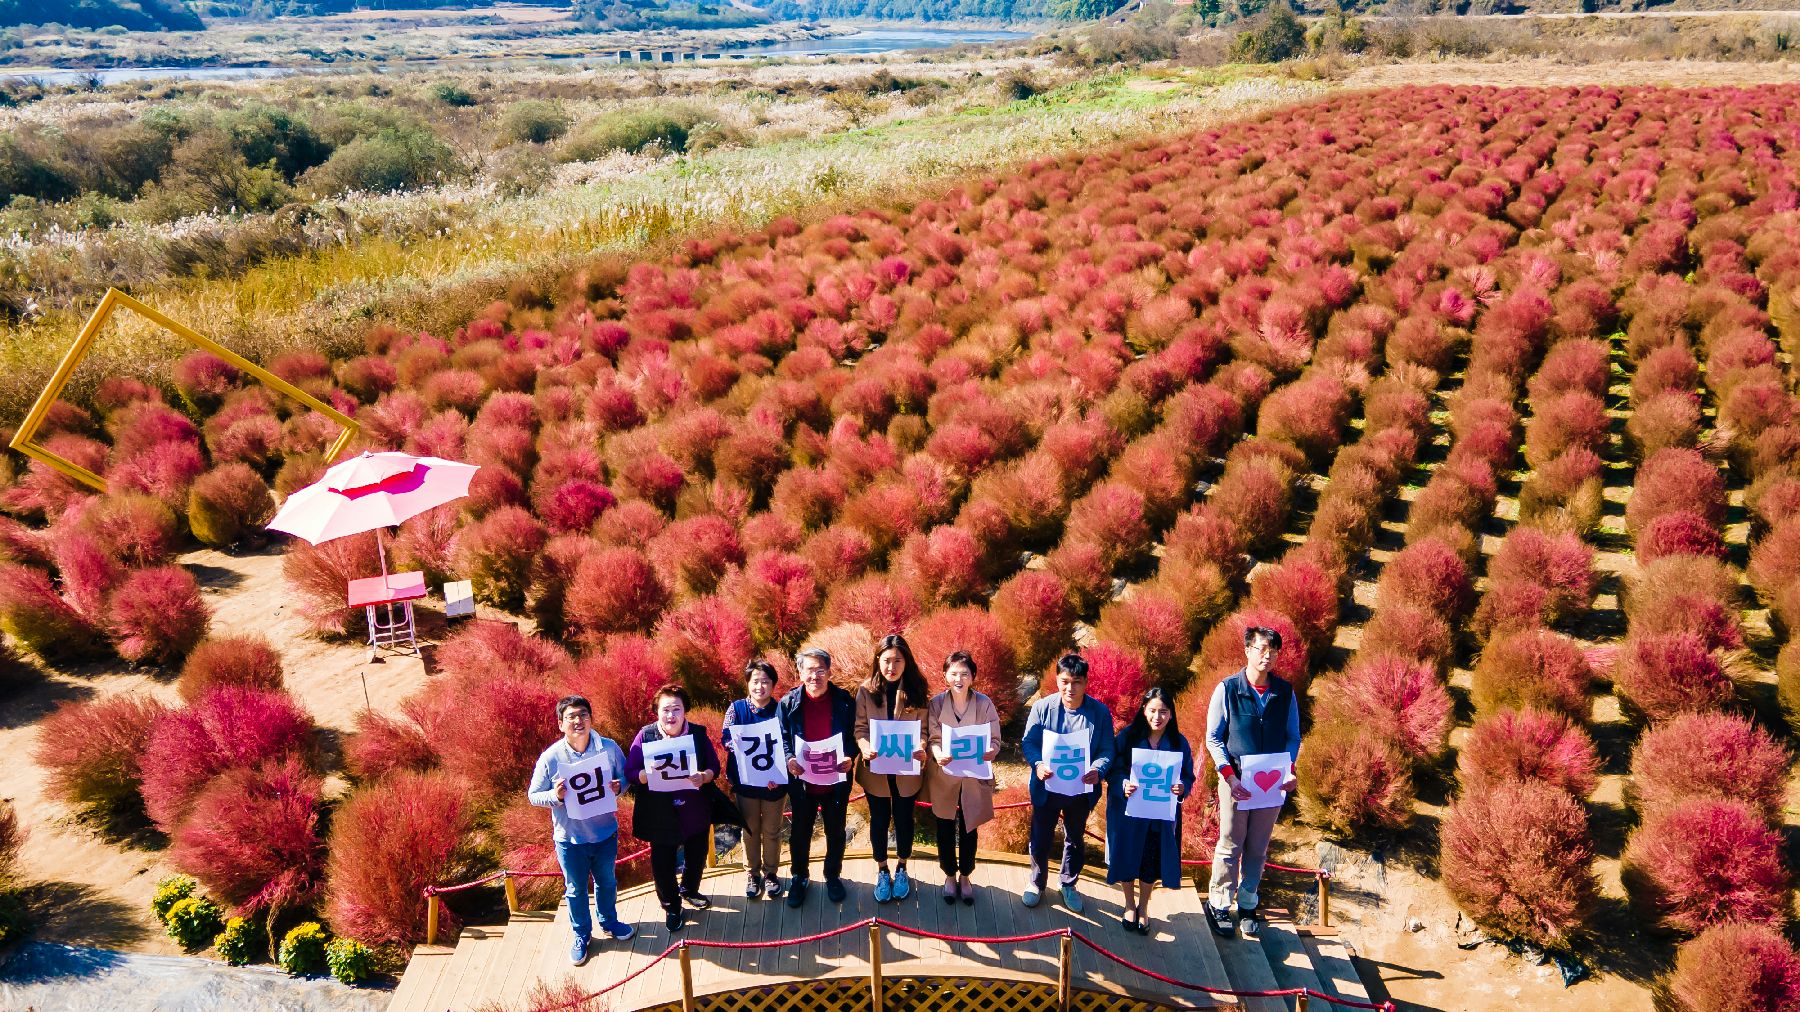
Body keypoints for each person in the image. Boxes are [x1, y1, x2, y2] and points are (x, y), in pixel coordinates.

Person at [1203, 625, 1301, 940]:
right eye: (1261, 649)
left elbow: (1293, 737)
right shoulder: (1228, 689)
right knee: (1230, 843)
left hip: (1270, 786)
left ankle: (1247, 904)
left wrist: (1289, 770)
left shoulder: (1285, 693)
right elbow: (1214, 738)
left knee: (1258, 848)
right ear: (1247, 650)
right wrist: (1228, 776)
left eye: (1273, 650)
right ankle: (1219, 902)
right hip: (1235, 782)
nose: (1267, 656)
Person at [528, 695, 635, 966]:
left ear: (591, 718)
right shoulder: (551, 757)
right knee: (575, 890)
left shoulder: (608, 748)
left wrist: (618, 787)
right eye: (571, 717)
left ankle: (609, 922)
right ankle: (581, 935)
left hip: (605, 833)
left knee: (607, 882)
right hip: (569, 839)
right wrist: (556, 795)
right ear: (561, 724)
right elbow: (533, 795)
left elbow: (626, 778)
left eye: (583, 715)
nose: (578, 721)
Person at [625, 684, 726, 933]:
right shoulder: (646, 736)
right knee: (663, 863)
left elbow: (715, 767)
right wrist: (643, 776)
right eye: (665, 709)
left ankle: (690, 889)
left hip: (694, 809)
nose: (671, 715)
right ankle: (671, 905)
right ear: (656, 712)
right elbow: (629, 771)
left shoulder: (698, 735)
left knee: (697, 854)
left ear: (685, 711)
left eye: (677, 709)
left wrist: (704, 776)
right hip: (660, 812)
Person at [1020, 653, 1116, 912]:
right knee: (1040, 837)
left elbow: (1107, 748)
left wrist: (1098, 769)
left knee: (1075, 838)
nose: (1069, 688)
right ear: (1056, 680)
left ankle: (1068, 884)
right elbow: (1028, 742)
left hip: (1080, 789)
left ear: (1086, 682)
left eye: (1076, 682)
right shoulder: (1043, 707)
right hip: (1046, 787)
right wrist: (1038, 764)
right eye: (1064, 681)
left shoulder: (1099, 712)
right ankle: (1037, 882)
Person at [1105, 687, 1196, 936]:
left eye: (1163, 712)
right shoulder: (1128, 737)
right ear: (1144, 710)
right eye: (1153, 710)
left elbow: (1188, 776)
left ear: (1171, 714)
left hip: (1159, 817)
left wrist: (1182, 787)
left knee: (1150, 862)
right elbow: (1113, 770)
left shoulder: (1179, 742)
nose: (1158, 717)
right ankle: (1129, 904)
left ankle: (1144, 907)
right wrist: (1123, 784)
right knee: (1126, 858)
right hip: (1129, 814)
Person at [854, 634, 931, 904]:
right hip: (876, 770)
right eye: (886, 660)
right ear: (878, 660)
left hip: (906, 769)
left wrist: (921, 747)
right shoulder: (866, 690)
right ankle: (882, 869)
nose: (892, 666)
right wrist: (864, 747)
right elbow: (860, 728)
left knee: (904, 820)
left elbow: (923, 730)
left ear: (906, 661)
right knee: (878, 821)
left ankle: (902, 867)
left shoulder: (917, 690)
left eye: (898, 660)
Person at [778, 647, 856, 908]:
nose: (815, 676)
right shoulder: (788, 703)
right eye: (809, 670)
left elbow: (856, 735)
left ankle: (832, 875)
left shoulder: (844, 700)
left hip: (836, 782)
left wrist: (851, 756)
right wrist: (789, 758)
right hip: (803, 783)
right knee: (800, 833)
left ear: (829, 671)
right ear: (800, 672)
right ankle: (800, 877)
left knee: (836, 832)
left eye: (820, 670)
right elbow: (782, 739)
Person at [925, 650, 1002, 906]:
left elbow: (994, 737)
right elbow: (933, 737)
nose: (959, 679)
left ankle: (966, 875)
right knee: (944, 827)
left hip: (973, 776)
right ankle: (949, 875)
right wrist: (937, 753)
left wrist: (992, 750)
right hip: (945, 776)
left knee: (970, 827)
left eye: (965, 674)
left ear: (973, 677)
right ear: (945, 675)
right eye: (954, 673)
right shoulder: (936, 704)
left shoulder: (984, 704)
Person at [722, 660, 788, 901]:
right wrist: (735, 743)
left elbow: (786, 745)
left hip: (774, 783)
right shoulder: (736, 709)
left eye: (765, 682)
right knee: (750, 829)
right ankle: (752, 873)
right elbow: (725, 738)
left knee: (772, 830)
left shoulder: (782, 710)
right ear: (748, 683)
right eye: (755, 681)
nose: (760, 686)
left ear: (773, 684)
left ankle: (771, 873)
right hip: (746, 783)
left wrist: (776, 776)